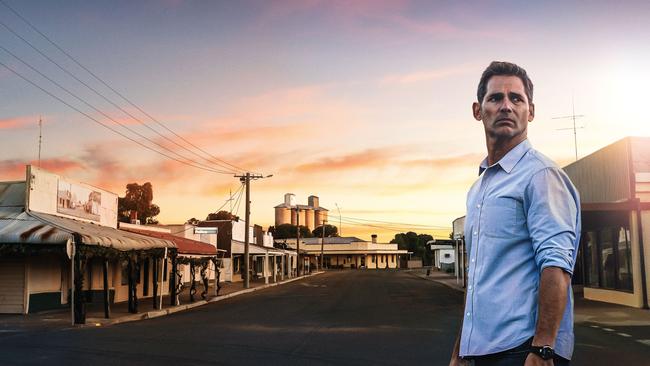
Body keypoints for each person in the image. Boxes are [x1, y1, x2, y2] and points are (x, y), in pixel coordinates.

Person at [449, 61, 581, 366]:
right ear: (477, 110)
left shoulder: (541, 176)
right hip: (480, 352)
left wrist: (543, 348)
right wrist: (460, 351)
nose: (506, 106)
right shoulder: (478, 189)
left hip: (523, 350)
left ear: (530, 112)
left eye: (516, 98)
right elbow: (478, 279)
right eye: (495, 98)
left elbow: (557, 265)